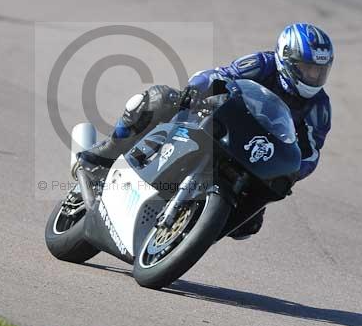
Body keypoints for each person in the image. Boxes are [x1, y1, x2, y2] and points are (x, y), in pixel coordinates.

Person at [74, 22, 334, 239]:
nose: (314, 76)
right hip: (223, 124)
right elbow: (218, 75)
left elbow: (310, 153)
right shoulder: (261, 64)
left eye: (320, 71)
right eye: (308, 68)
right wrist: (201, 89)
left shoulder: (319, 107)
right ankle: (106, 154)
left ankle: (189, 231)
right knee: (158, 100)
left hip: (256, 155)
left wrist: (292, 171)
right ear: (286, 58)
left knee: (249, 225)